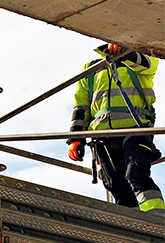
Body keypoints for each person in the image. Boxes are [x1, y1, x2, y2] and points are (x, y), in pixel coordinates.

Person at [66, 43, 164, 215]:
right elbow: (81, 106)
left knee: (136, 173)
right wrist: (76, 138)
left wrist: (126, 52)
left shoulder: (141, 60)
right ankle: (131, 223)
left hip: (135, 129)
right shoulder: (91, 69)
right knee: (115, 183)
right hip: (103, 135)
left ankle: (158, 218)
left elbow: (148, 63)